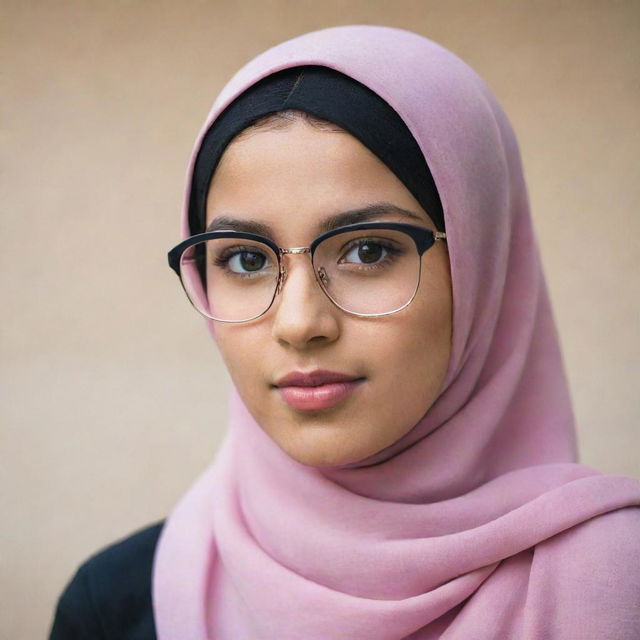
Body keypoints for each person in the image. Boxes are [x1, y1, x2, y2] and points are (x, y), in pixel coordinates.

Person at [49, 24, 640, 640]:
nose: (301, 323)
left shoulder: (620, 585)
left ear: (482, 261)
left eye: (367, 250)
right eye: (246, 259)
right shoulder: (115, 606)